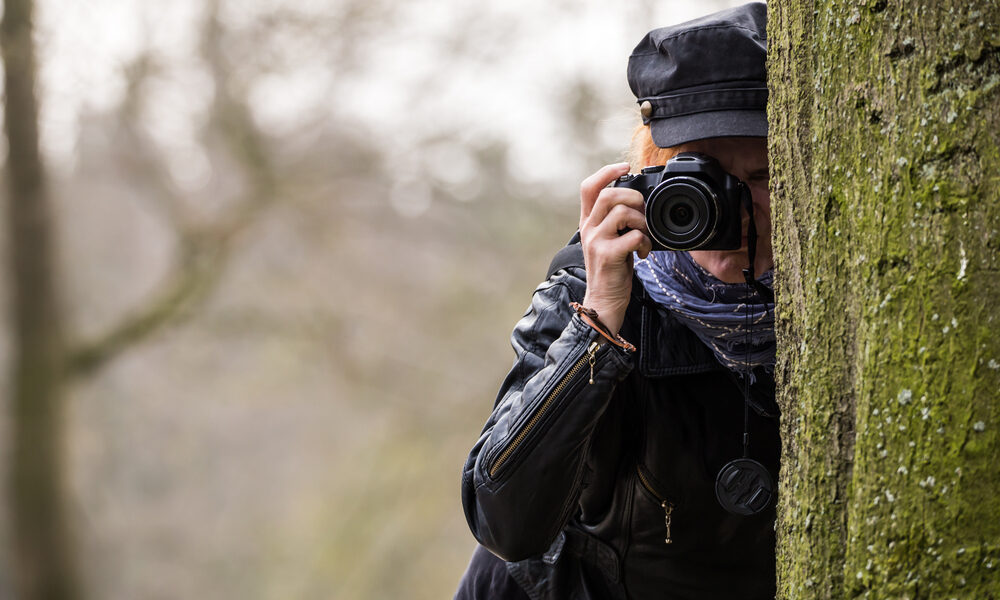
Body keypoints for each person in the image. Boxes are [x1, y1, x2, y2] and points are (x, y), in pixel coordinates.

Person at [456, 4, 779, 599]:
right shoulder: (597, 290)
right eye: (702, 179)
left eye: (759, 177)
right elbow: (505, 522)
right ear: (650, 178)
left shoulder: (836, 306)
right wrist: (599, 321)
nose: (733, 208)